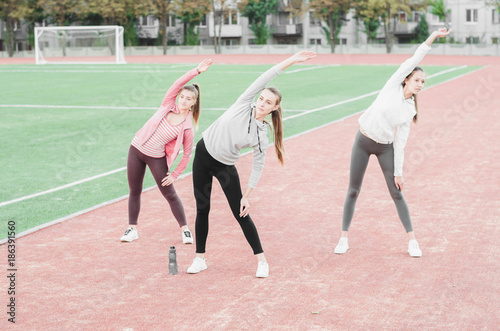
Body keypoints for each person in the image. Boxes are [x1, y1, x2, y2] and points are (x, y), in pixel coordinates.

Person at [186, 51, 316, 277]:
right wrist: (292, 60)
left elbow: (258, 166)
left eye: (268, 103)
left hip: (224, 167)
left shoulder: (261, 135)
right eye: (262, 99)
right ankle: (200, 259)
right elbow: (267, 76)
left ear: (274, 108)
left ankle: (262, 261)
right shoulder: (244, 102)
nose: (262, 103)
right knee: (202, 208)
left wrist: (247, 195)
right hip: (203, 153)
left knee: (240, 213)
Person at [334, 28, 451, 258]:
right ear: (407, 79)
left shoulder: (410, 109)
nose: (420, 84)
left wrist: (398, 172)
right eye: (417, 80)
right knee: (353, 191)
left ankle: (412, 241)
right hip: (363, 141)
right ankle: (343, 238)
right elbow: (416, 57)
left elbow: (401, 142)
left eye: (423, 82)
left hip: (385, 147)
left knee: (397, 192)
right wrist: (433, 37)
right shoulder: (393, 84)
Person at [120, 59, 213, 244]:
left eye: (188, 99)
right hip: (136, 149)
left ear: (193, 103)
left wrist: (176, 174)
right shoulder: (167, 104)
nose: (183, 100)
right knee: (134, 190)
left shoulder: (187, 127)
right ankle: (132, 228)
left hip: (156, 158)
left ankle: (185, 230)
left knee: (170, 194)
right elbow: (177, 84)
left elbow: (187, 155)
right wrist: (196, 70)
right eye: (182, 97)